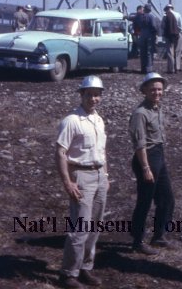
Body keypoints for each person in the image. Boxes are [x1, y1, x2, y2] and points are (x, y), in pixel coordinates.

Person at [56, 75, 108, 288]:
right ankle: (68, 273)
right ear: (82, 95)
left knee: (95, 226)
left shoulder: (98, 119)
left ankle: (85, 268)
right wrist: (68, 182)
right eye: (89, 94)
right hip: (81, 177)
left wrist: (106, 176)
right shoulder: (72, 121)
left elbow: (102, 151)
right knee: (80, 227)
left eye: (97, 95)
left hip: (99, 176)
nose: (93, 99)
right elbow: (60, 153)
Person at [129, 72, 175, 254]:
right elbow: (139, 144)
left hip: (158, 156)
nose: (157, 92)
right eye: (153, 89)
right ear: (144, 90)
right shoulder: (140, 113)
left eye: (159, 89)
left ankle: (159, 236)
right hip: (146, 158)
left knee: (167, 199)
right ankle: (137, 241)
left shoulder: (157, 108)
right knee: (145, 201)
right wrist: (146, 167)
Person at [161, 4, 182, 74]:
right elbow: (181, 27)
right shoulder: (178, 14)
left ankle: (171, 69)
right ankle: (177, 68)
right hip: (178, 35)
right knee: (178, 52)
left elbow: (162, 26)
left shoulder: (165, 16)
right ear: (172, 8)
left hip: (169, 36)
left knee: (170, 52)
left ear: (166, 9)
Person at [139, 4, 160, 74]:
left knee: (142, 52)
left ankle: (143, 68)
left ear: (145, 9)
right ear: (150, 10)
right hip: (150, 36)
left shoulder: (141, 17)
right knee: (149, 52)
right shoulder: (151, 17)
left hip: (142, 35)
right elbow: (154, 26)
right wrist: (155, 33)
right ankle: (149, 69)